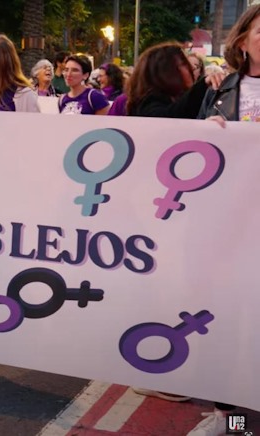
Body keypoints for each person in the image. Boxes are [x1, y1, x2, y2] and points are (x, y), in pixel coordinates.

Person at [187, 7, 260, 434]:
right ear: (243, 39)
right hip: (228, 227)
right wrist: (208, 130)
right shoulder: (218, 87)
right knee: (225, 324)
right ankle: (230, 421)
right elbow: (190, 151)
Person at [126, 42, 222, 118]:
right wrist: (202, 85)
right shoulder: (148, 103)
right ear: (165, 72)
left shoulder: (176, 99)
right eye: (183, 64)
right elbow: (170, 118)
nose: (192, 68)